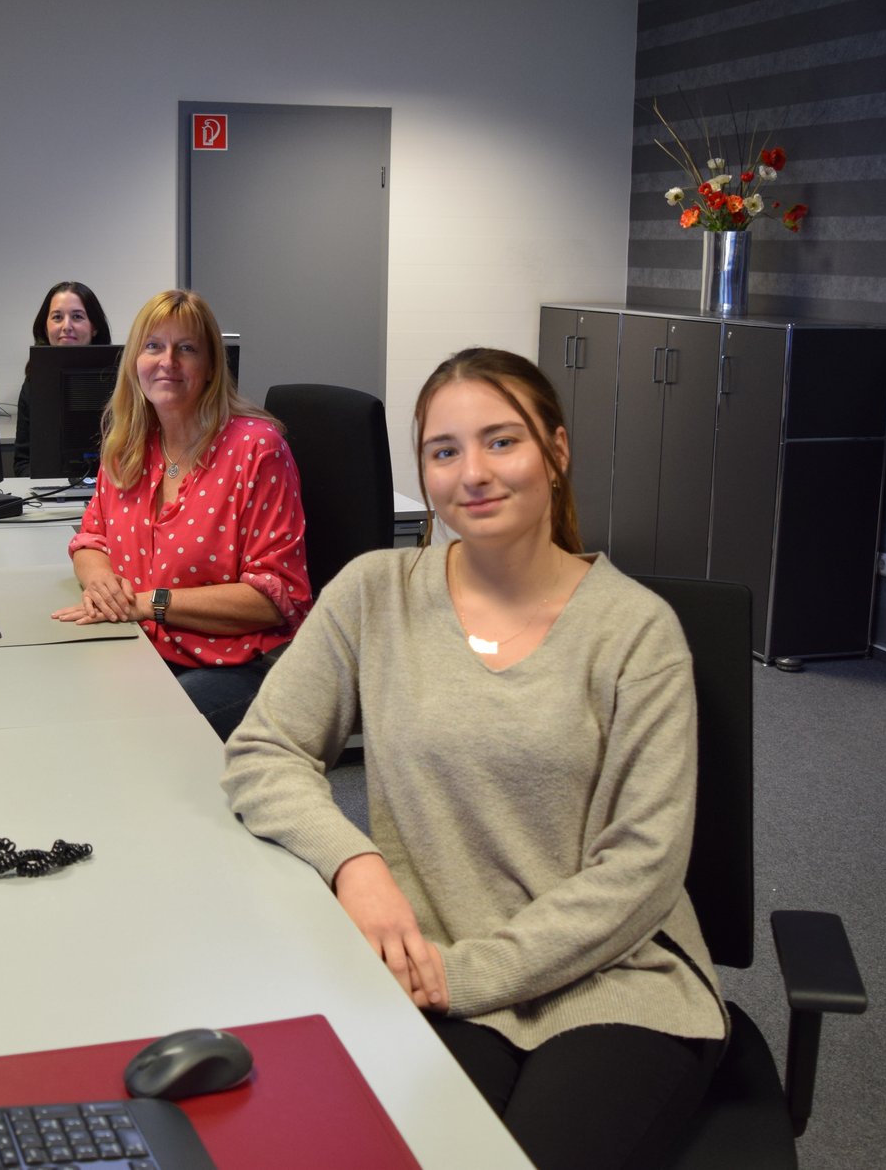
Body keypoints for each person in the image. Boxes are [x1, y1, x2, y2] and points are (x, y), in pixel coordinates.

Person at [220, 347, 727, 1169]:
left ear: (556, 451)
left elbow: (643, 865)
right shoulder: (373, 592)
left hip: (612, 981)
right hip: (431, 961)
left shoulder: (636, 632)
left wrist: (468, 976)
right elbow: (264, 750)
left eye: (502, 441)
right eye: (443, 451)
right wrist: (357, 863)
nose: (473, 473)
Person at [53, 289, 311, 741]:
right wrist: (101, 582)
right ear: (135, 360)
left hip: (237, 664)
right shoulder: (129, 444)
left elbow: (276, 596)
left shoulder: (256, 449)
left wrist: (148, 602)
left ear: (211, 366)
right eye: (153, 346)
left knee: (134, 734)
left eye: (186, 348)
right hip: (143, 647)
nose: (167, 361)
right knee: (59, 702)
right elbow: (91, 539)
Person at [14, 280, 112, 476]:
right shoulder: (33, 384)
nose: (66, 326)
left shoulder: (121, 381)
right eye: (57, 317)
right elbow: (22, 462)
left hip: (113, 492)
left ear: (94, 327)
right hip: (49, 496)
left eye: (77, 316)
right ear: (45, 326)